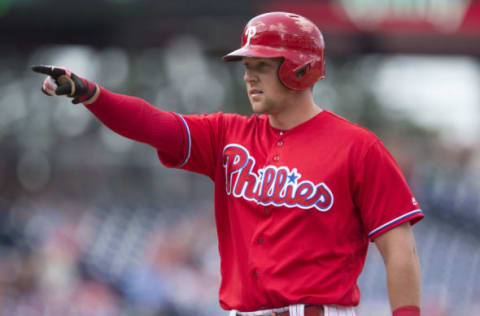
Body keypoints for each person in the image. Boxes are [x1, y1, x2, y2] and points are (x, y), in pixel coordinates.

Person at [32, 11, 423, 316]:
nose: (249, 78)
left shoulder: (358, 148)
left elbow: (399, 251)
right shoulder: (227, 135)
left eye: (262, 67)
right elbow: (155, 125)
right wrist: (91, 94)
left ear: (301, 68)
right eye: (247, 68)